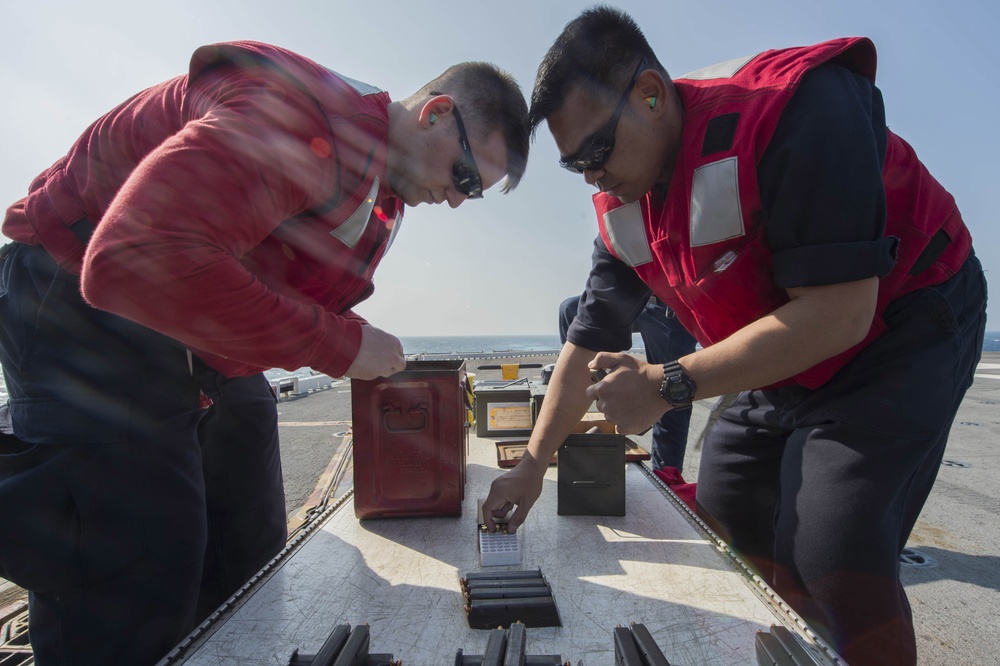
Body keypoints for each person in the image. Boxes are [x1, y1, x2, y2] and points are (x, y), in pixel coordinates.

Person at [483, 7, 986, 665]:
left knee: (834, 541)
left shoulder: (798, 106)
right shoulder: (622, 208)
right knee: (725, 505)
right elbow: (584, 343)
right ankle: (794, 649)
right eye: (573, 163)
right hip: (782, 355)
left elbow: (840, 313)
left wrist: (668, 383)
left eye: (596, 151)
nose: (591, 177)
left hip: (899, 332)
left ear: (652, 95)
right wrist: (530, 466)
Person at [0, 40, 529, 665]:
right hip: (80, 304)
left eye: (477, 192)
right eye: (466, 176)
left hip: (195, 334)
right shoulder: (292, 119)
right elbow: (134, 261)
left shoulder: (378, 186)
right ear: (436, 112)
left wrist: (348, 333)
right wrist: (340, 344)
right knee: (139, 563)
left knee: (248, 547)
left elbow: (272, 276)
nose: (460, 200)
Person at [558, 293, 696, 471]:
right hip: (633, 298)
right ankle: (589, 386)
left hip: (669, 306)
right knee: (569, 308)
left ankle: (668, 476)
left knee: (672, 394)